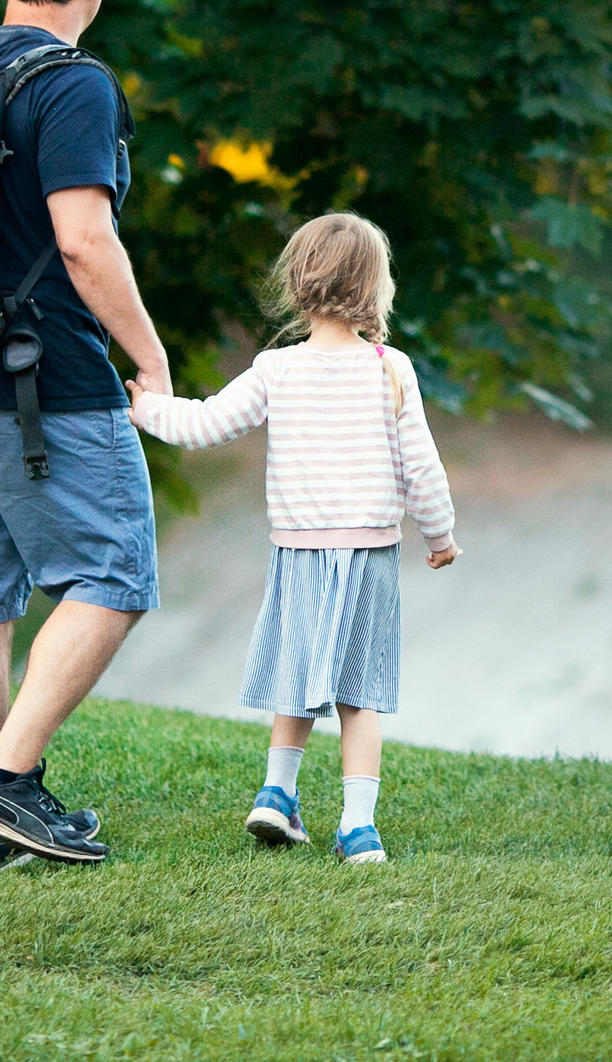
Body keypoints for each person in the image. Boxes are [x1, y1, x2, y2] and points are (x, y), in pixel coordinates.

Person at [0, 0, 173, 873]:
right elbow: (82, 241)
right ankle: (4, 784)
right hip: (46, 383)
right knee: (115, 572)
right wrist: (149, 360)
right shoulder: (73, 85)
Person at [128, 213, 459, 866]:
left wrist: (147, 410)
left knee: (296, 676)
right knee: (359, 693)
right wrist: (440, 534)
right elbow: (422, 464)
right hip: (366, 553)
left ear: (299, 287)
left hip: (298, 550)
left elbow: (205, 423)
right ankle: (358, 830)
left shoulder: (276, 369)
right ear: (374, 288)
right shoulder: (390, 368)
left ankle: (277, 794)